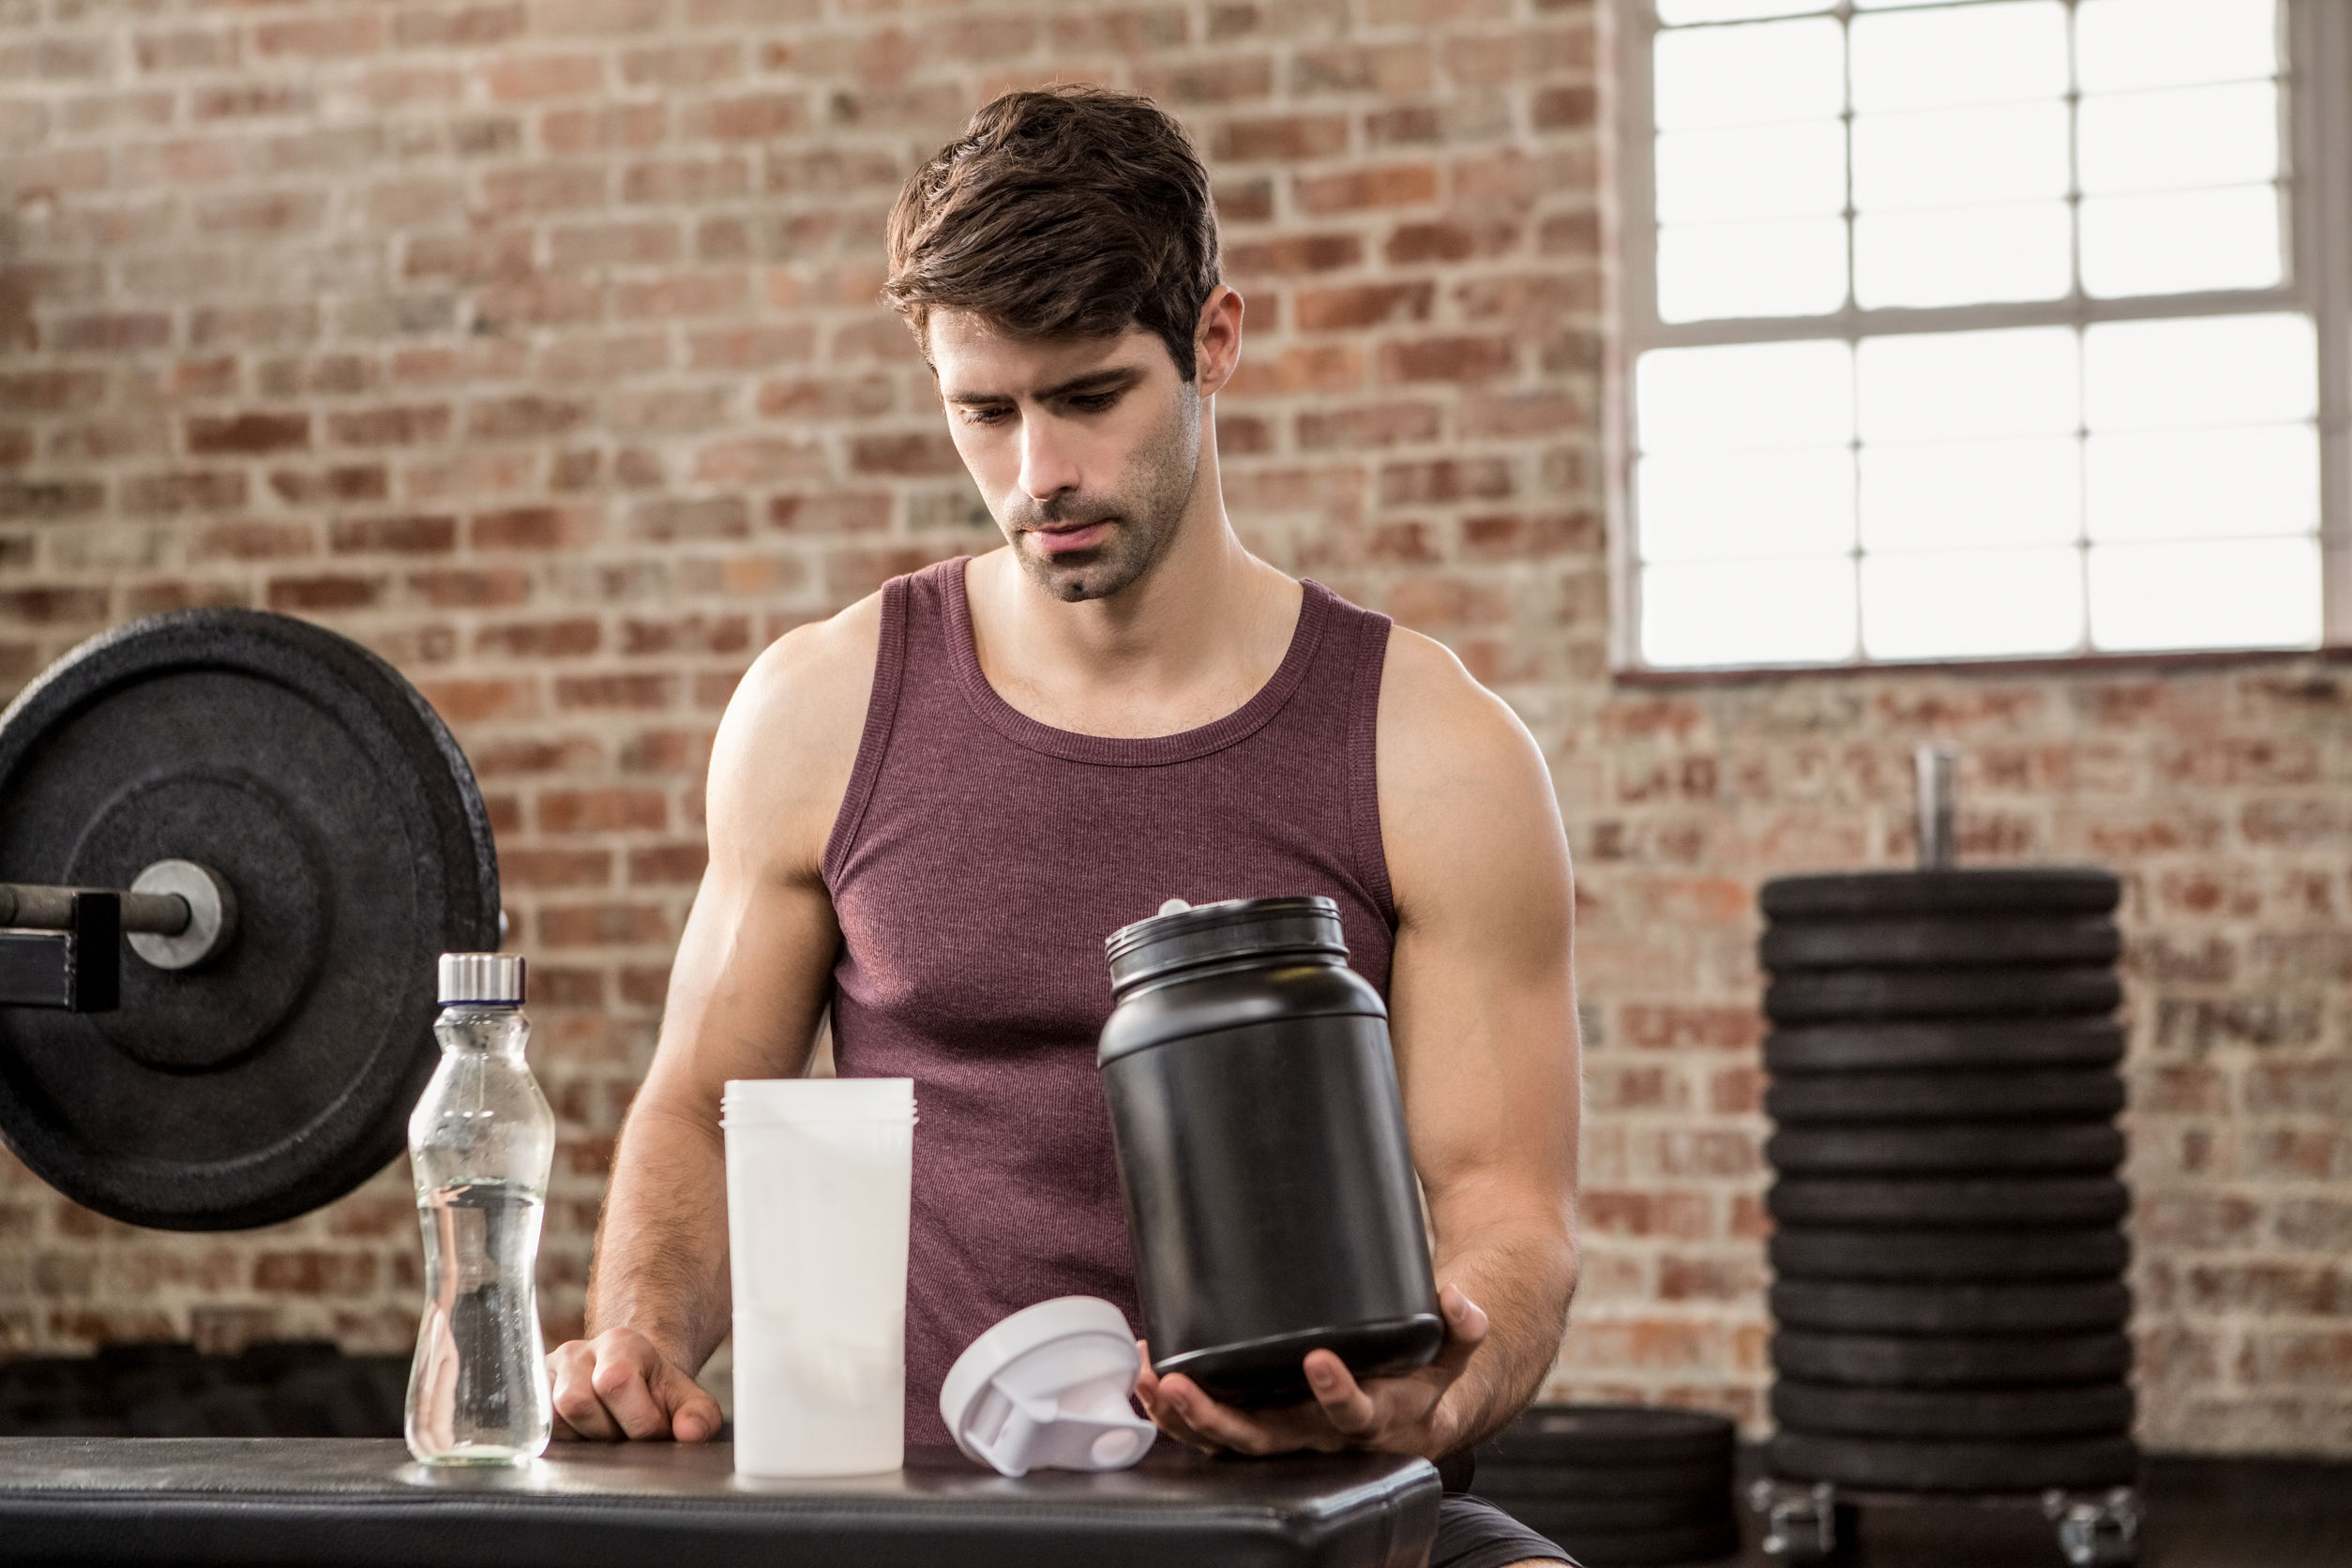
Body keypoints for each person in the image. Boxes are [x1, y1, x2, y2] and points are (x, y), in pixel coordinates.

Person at [548, 84, 1583, 1568]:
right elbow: (705, 1109)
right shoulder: (821, 711)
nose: (1040, 475)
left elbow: (1509, 1210)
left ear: (1214, 341)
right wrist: (641, 1335)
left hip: (1293, 1509)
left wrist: (1422, 1400)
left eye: (1093, 396)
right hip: (914, 1530)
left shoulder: (1434, 749)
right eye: (987, 411)